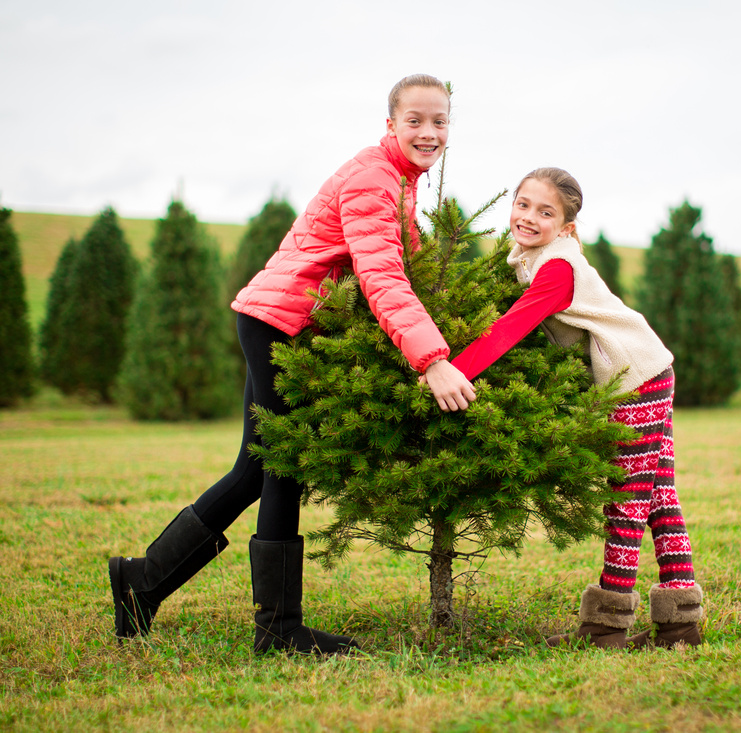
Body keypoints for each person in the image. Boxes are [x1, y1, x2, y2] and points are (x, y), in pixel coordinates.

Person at [108, 74, 477, 655]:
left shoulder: (396, 181)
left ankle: (140, 583)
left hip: (274, 318)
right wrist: (432, 360)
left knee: (256, 469)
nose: (429, 132)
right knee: (281, 465)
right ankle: (277, 629)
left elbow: (409, 257)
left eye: (439, 122)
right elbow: (383, 276)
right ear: (391, 125)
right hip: (281, 321)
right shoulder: (374, 179)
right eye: (416, 121)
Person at [430, 167, 704, 649]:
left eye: (546, 211)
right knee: (658, 494)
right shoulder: (534, 255)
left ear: (567, 227)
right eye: (523, 204)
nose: (529, 217)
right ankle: (680, 624)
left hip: (636, 379)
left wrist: (452, 370)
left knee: (630, 497)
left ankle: (605, 627)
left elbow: (511, 328)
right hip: (649, 369)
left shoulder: (557, 268)